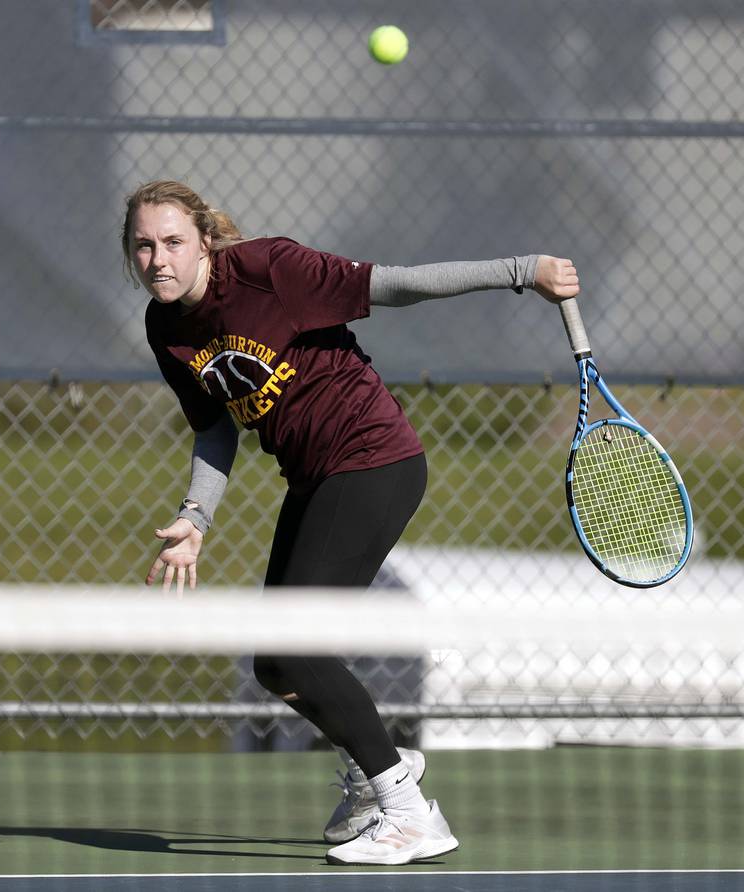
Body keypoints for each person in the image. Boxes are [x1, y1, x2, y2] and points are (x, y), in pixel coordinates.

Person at [121, 179, 580, 866]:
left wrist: (523, 272)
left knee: (303, 646)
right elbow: (216, 426)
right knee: (276, 663)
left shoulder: (273, 271)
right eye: (143, 245)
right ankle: (380, 770)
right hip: (314, 479)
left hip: (373, 462)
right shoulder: (167, 329)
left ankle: (408, 813)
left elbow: (399, 284)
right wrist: (195, 517)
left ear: (204, 242)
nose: (158, 259)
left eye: (173, 242)